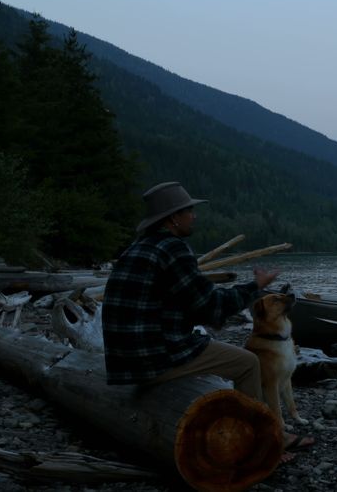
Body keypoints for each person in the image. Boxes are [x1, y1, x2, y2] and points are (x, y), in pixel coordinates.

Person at [102, 181, 313, 457]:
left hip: (124, 362)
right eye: (189, 210)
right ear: (173, 218)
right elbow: (210, 306)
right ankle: (267, 439)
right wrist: (254, 287)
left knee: (207, 344)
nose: (194, 216)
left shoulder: (136, 249)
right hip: (153, 359)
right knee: (248, 363)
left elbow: (185, 299)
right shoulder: (174, 249)